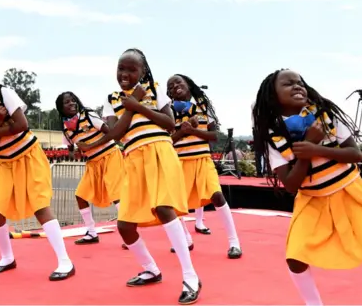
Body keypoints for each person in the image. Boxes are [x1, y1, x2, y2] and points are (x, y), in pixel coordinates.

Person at [81, 49, 201, 305]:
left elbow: (170, 124)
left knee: (164, 208)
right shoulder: (111, 98)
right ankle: (151, 269)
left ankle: (191, 276)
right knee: (125, 226)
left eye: (131, 69)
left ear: (143, 71)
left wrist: (137, 105)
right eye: (120, 69)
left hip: (160, 151)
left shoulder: (154, 90)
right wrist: (130, 105)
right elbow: (115, 133)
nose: (124, 74)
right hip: (133, 158)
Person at [252, 68, 362, 305]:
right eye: (288, 84)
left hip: (349, 192)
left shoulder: (326, 117)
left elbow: (355, 154)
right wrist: (306, 148)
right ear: (272, 97)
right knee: (295, 257)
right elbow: (291, 184)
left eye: (300, 83)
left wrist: (318, 148)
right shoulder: (273, 138)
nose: (297, 86)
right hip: (311, 200)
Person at [0, 67, 75, 281]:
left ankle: (65, 261)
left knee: (40, 206)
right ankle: (7, 258)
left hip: (28, 155)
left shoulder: (2, 93)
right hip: (2, 161)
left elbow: (21, 125)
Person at [167, 74, 242, 259]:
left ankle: (234, 242)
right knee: (174, 205)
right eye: (170, 86)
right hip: (179, 163)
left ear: (189, 86)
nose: (175, 86)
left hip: (202, 160)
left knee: (217, 196)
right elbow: (166, 141)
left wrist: (193, 131)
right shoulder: (167, 112)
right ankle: (185, 239)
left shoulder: (202, 107)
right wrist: (182, 132)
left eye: (179, 82)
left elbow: (214, 136)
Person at [55, 91, 124, 245]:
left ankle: (129, 232)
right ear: (60, 108)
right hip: (93, 163)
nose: (72, 103)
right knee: (81, 195)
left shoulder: (88, 115)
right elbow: (72, 152)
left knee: (116, 193)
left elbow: (111, 133)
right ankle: (91, 232)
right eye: (67, 102)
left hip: (110, 156)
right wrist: (78, 154)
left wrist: (90, 146)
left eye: (73, 100)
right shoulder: (66, 130)